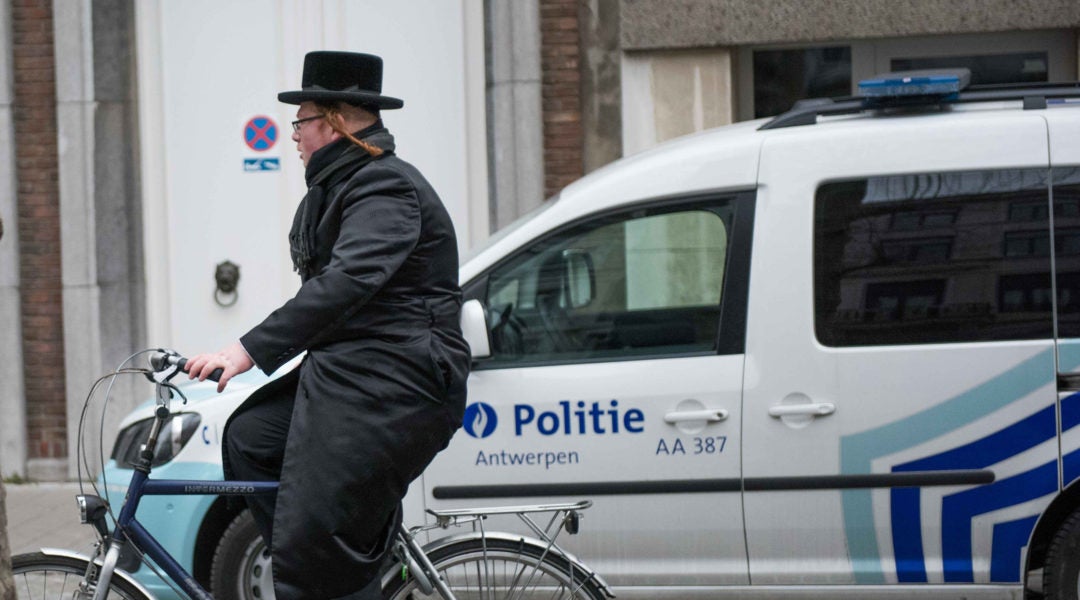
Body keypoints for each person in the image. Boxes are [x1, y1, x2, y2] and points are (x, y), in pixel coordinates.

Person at [185, 51, 470, 599]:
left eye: (302, 119)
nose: (293, 135)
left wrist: (246, 350)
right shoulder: (339, 188)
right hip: (354, 370)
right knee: (250, 438)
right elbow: (330, 297)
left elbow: (345, 284)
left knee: (315, 540)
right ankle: (324, 561)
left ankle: (326, 572)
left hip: (400, 378)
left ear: (335, 121)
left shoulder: (385, 187)